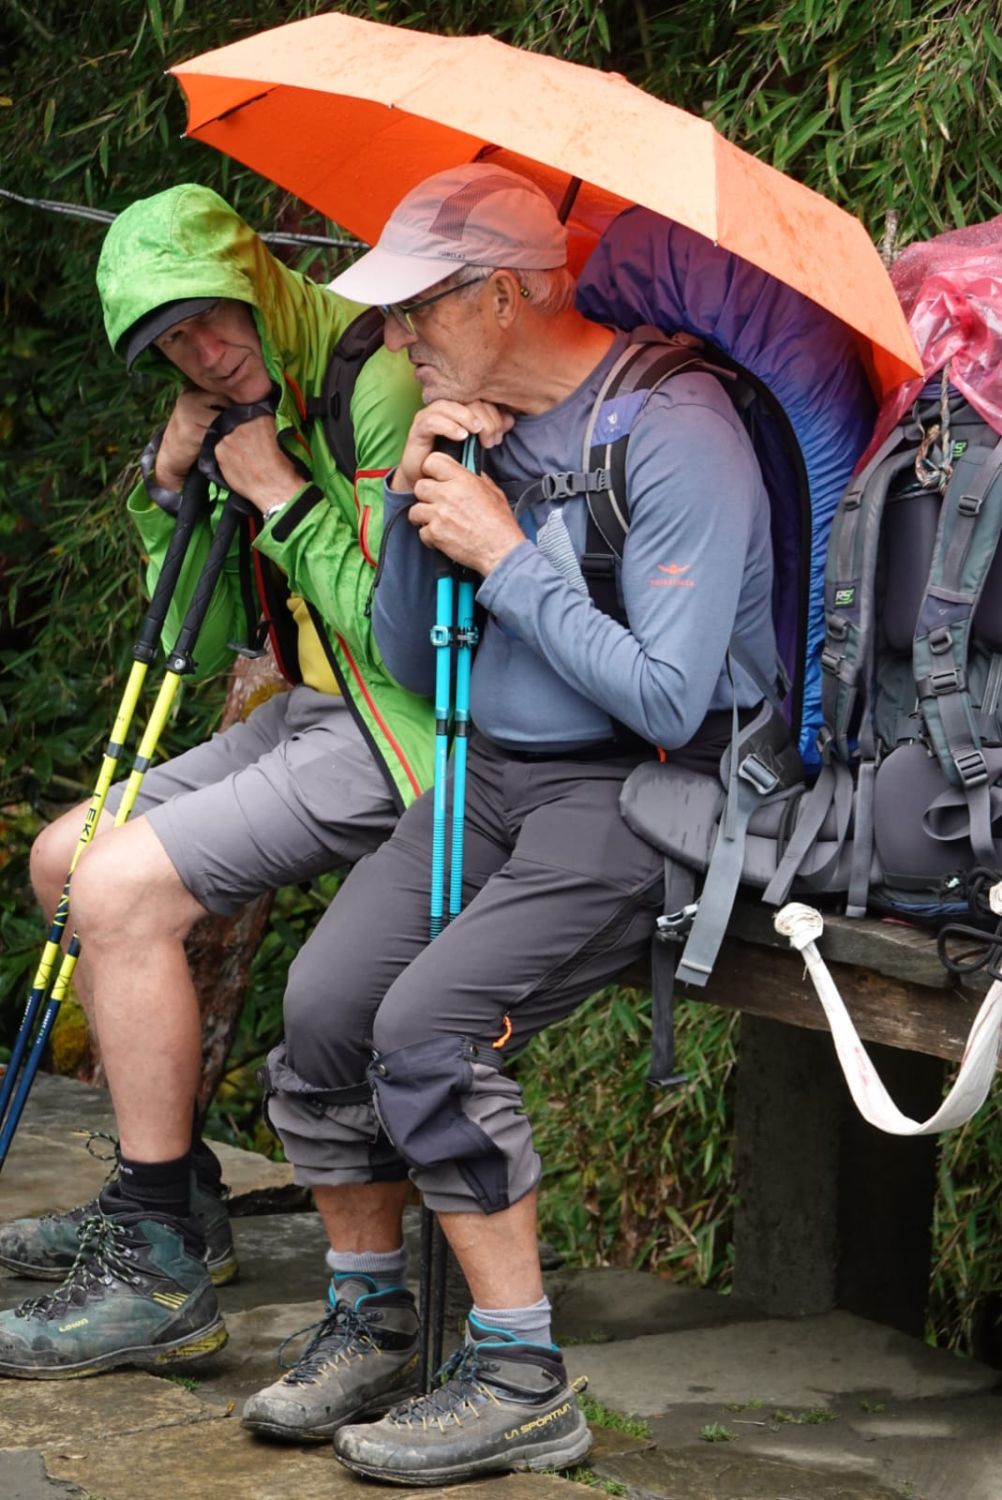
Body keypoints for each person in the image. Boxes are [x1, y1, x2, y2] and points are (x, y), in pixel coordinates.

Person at [237, 164, 779, 1480]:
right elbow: (417, 670)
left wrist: (507, 554)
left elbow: (669, 695)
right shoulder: (479, 431)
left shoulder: (679, 430)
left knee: (427, 1031)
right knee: (324, 1006)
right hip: (489, 773)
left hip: (645, 791)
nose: (394, 337)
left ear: (506, 295)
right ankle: (373, 1322)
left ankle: (522, 1377)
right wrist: (414, 499)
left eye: (418, 308)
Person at [0, 183, 431, 1380]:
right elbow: (198, 620)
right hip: (310, 707)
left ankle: (153, 1274)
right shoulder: (246, 395)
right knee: (63, 860)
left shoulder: (375, 377)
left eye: (211, 316)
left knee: (122, 889)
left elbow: (403, 636)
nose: (202, 350)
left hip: (403, 730)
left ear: (253, 275)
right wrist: (170, 488)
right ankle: (176, 1194)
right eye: (173, 342)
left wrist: (280, 493)